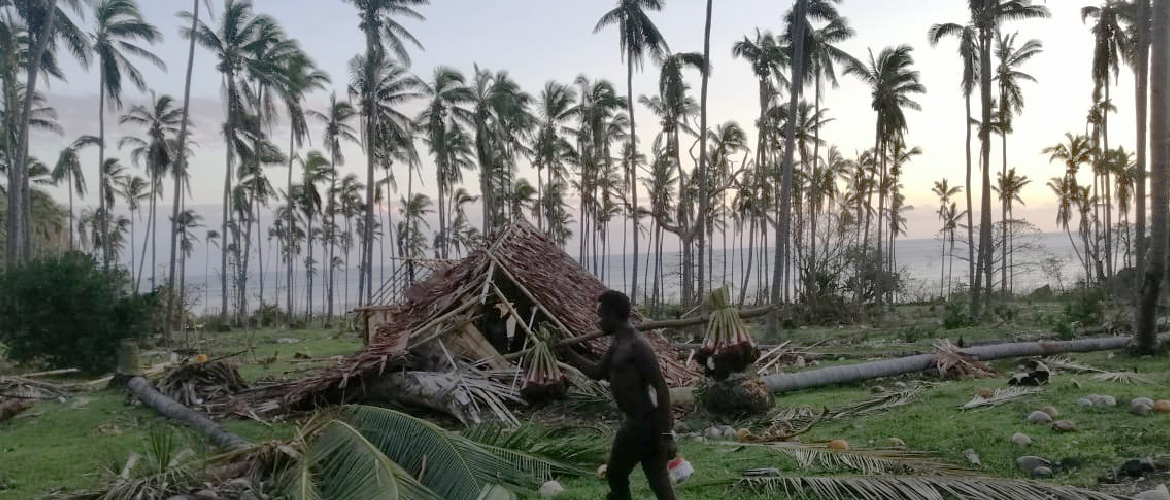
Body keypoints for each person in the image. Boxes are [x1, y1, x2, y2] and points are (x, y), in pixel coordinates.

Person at [561, 290, 677, 500]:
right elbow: (598, 372)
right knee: (650, 476)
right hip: (637, 424)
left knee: (621, 475)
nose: (598, 322)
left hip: (646, 424)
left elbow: (661, 388)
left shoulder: (637, 346)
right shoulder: (617, 344)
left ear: (613, 315)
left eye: (601, 315)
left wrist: (666, 435)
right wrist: (568, 352)